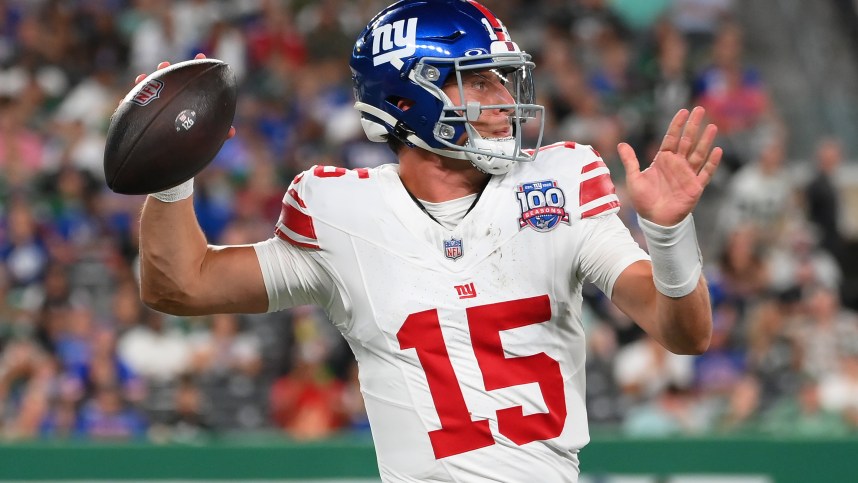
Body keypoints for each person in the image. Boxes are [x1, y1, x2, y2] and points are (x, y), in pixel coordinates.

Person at [133, 1, 721, 481]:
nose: (501, 100)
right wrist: (171, 173)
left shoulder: (560, 183)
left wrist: (668, 234)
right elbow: (179, 284)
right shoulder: (341, 212)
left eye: (501, 79)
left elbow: (685, 332)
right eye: (477, 81)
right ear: (408, 98)